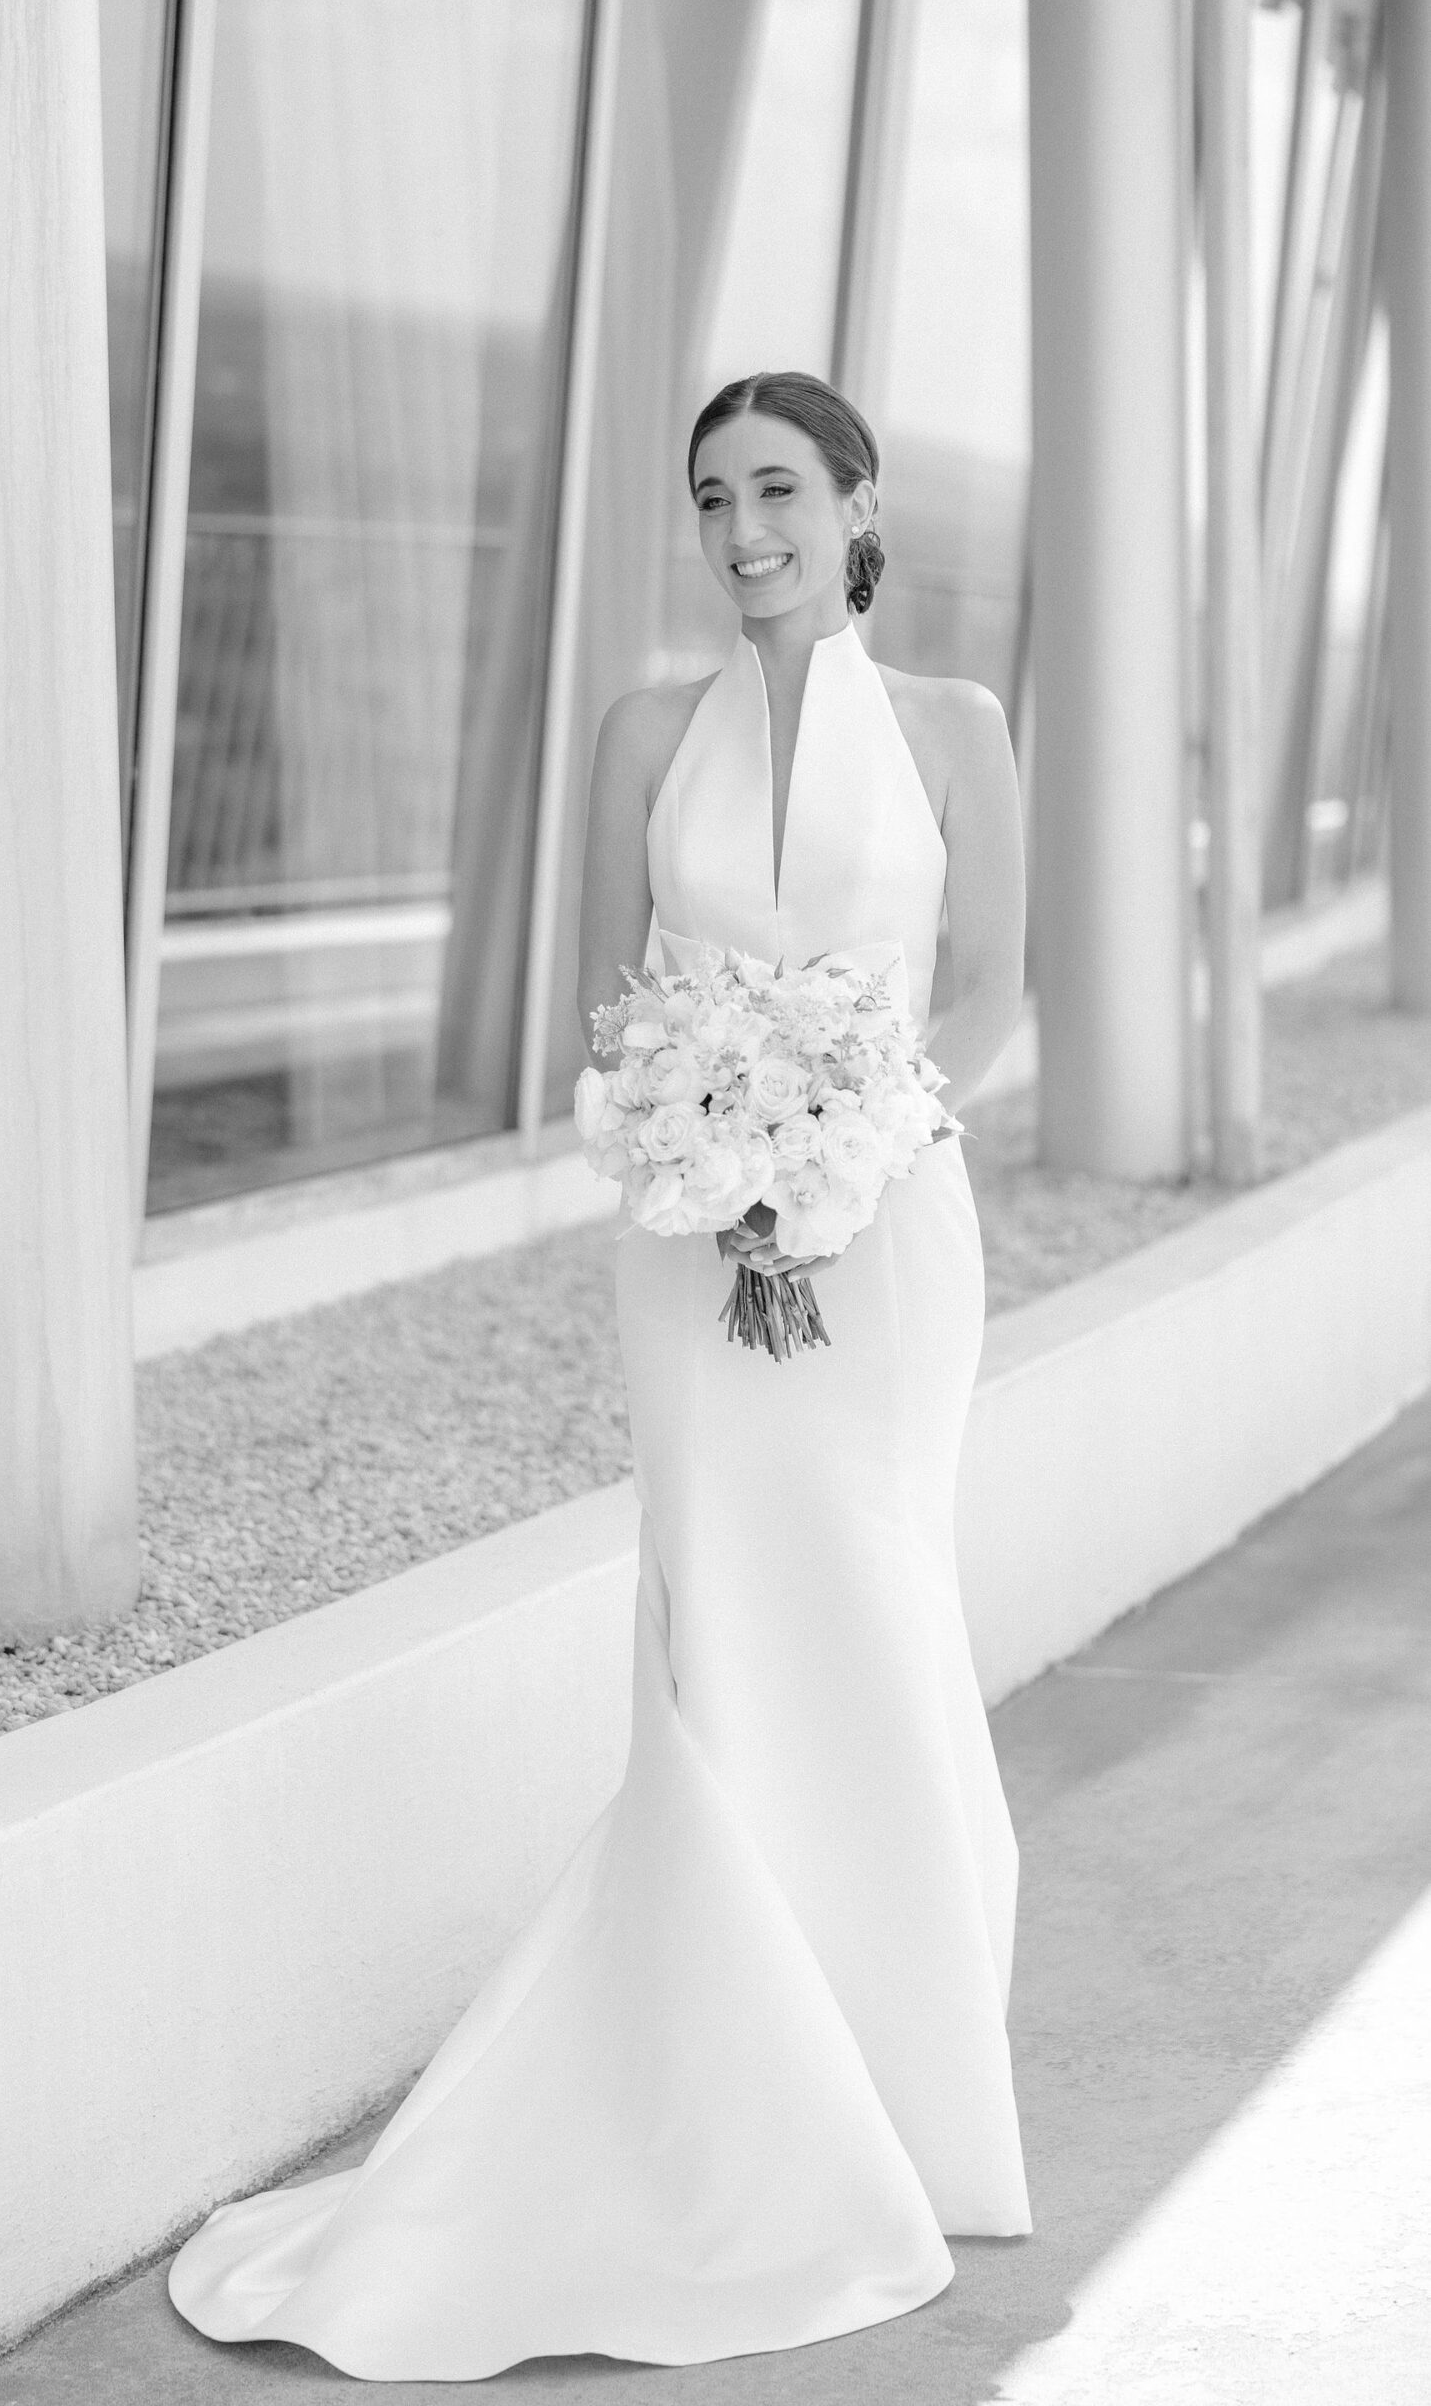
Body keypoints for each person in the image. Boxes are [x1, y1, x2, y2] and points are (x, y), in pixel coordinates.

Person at [167, 369, 1031, 2377]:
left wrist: (861, 1137)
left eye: (779, 491)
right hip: (685, 1241)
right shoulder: (647, 727)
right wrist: (694, 1148)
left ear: (853, 501)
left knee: (881, 1612)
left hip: (889, 1238)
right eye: (713, 496)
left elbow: (986, 981)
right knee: (719, 1635)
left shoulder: (955, 730)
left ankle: (906, 2096)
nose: (745, 531)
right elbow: (610, 990)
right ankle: (728, 2101)